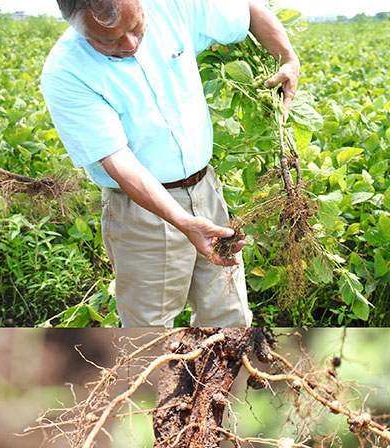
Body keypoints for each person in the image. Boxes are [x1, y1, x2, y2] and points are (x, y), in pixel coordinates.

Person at [41, 0, 300, 327]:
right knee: (149, 330)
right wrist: (182, 221)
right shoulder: (65, 72)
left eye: (136, 27)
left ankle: (226, 376)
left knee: (229, 314)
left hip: (206, 189)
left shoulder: (171, 7)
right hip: (141, 212)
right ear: (76, 27)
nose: (131, 44)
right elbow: (119, 163)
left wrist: (288, 58)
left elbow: (249, 11)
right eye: (109, 41)